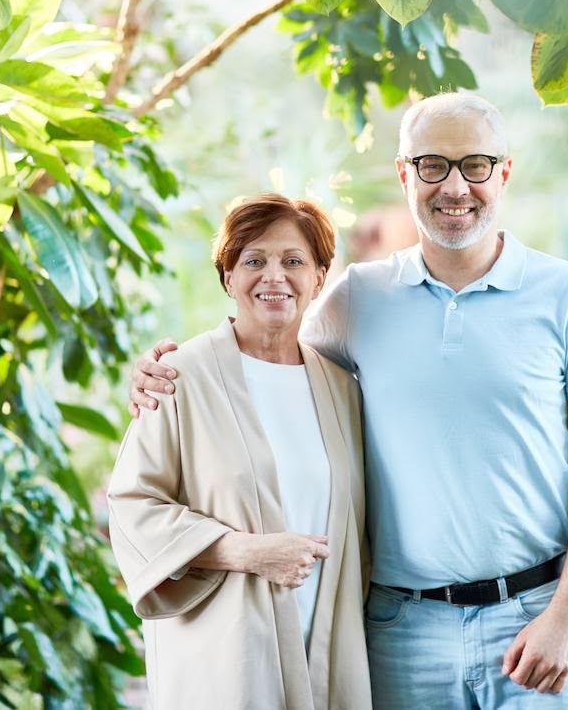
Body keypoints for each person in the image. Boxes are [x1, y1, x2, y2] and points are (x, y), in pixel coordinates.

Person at [130, 94, 568, 710]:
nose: (454, 186)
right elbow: (271, 361)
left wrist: (567, 616)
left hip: (533, 623)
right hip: (401, 632)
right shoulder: (358, 298)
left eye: (474, 165)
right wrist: (167, 373)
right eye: (432, 165)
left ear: (503, 172)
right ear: (403, 175)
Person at [108, 195, 371, 710]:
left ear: (320, 277)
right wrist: (246, 552)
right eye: (254, 260)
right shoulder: (179, 376)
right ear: (228, 277)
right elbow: (132, 505)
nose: (274, 275)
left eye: (293, 261)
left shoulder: (343, 388)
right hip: (225, 657)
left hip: (327, 650)